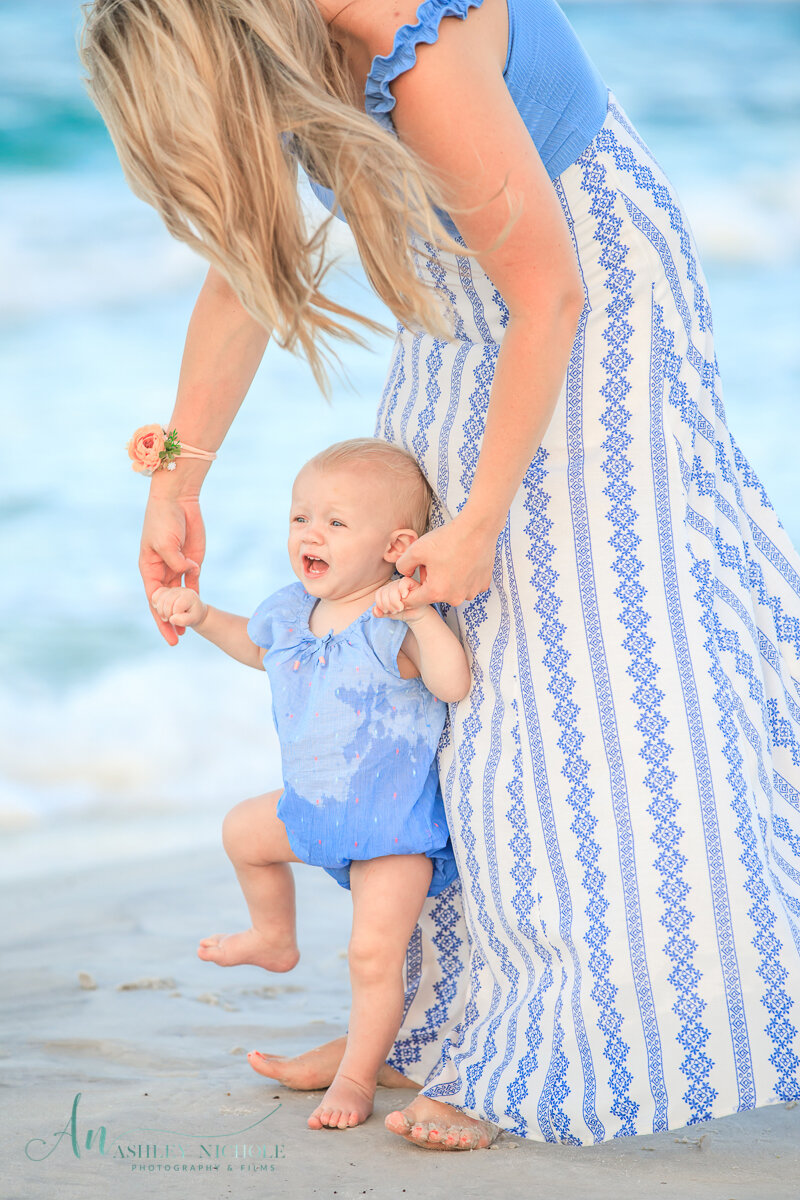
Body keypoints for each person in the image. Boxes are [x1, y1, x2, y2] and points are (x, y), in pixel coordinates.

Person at [81, 0, 800, 1152]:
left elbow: (550, 291)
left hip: (582, 307)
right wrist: (176, 480)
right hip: (459, 308)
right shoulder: (284, 58)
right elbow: (242, 273)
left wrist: (484, 516)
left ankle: (560, 1035)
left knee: (561, 671)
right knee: (424, 689)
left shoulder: (403, 38)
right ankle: (417, 1028)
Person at [149, 437, 471, 1131]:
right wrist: (203, 618)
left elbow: (453, 683)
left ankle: (356, 1077)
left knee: (372, 956)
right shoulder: (292, 612)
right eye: (300, 518)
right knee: (242, 830)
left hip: (392, 833)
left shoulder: (392, 624)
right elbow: (258, 651)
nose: (310, 533)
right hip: (311, 811)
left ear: (396, 545)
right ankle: (274, 936)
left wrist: (420, 615)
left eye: (335, 522)